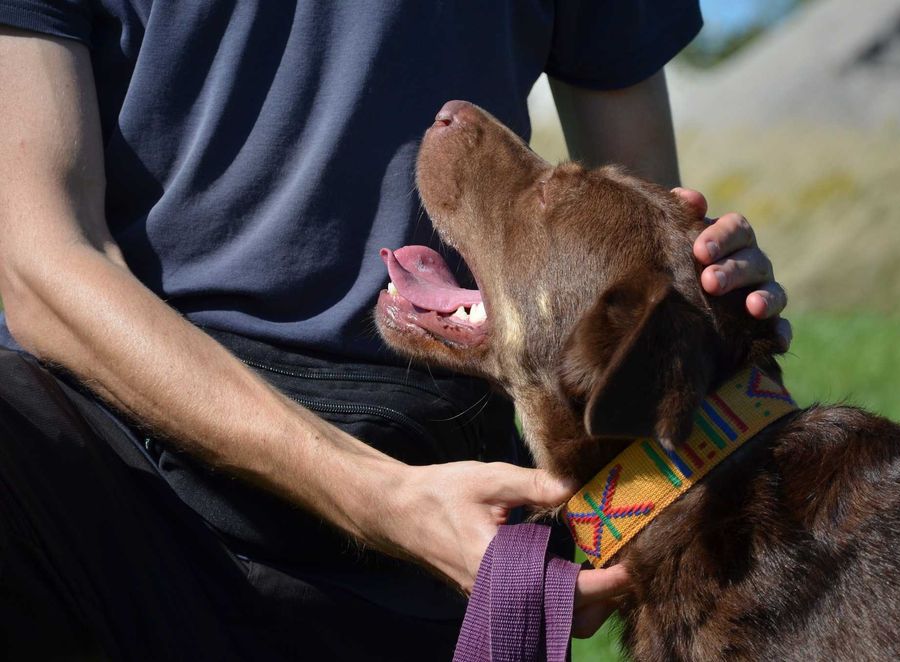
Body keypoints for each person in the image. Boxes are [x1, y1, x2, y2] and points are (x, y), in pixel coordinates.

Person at [0, 2, 789, 659]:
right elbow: (38, 264)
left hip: (444, 500)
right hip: (112, 474)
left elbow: (645, 224)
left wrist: (711, 303)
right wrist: (385, 500)